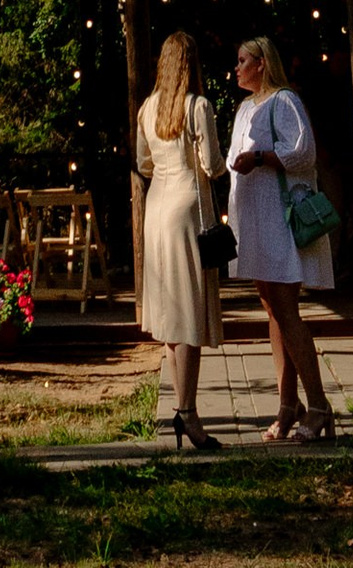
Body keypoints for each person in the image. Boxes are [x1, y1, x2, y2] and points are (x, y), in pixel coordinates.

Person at [228, 34, 334, 444]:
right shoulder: (243, 108)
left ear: (261, 63)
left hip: (279, 216)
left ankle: (320, 404)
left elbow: (301, 152)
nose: (236, 68)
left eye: (242, 60)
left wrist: (259, 158)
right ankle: (287, 403)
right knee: (271, 308)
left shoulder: (284, 100)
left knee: (287, 309)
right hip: (254, 220)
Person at [133, 30, 225, 452]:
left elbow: (143, 164)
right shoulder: (198, 106)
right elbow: (212, 165)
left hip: (157, 210)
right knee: (189, 310)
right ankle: (187, 413)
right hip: (188, 207)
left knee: (171, 312)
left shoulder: (147, 109)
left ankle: (184, 406)